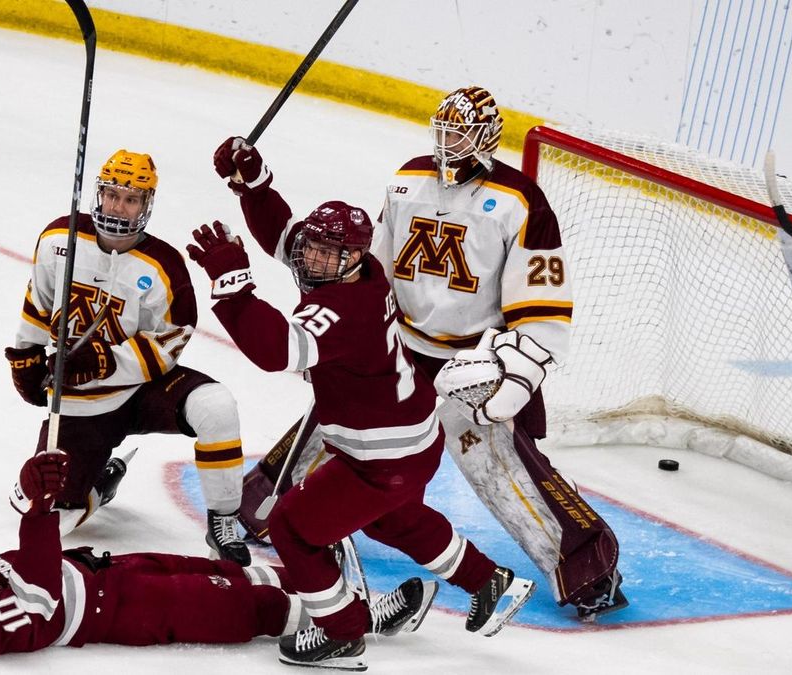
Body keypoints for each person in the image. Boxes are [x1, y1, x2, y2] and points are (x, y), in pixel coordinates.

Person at [225, 87, 627, 622]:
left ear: (485, 137)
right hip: (403, 344)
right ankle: (263, 505)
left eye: (459, 133)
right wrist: (257, 192)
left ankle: (587, 566)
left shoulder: (518, 200)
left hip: (472, 363)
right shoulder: (409, 179)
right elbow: (365, 260)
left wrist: (523, 365)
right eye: (442, 131)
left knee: (499, 464)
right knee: (340, 423)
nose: (447, 144)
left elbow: (542, 294)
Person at [188, 148, 535, 670]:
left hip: (378, 458)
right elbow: (288, 237)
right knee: (394, 522)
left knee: (292, 527)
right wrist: (254, 186)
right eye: (315, 248)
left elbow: (276, 351)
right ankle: (491, 583)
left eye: (328, 254)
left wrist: (232, 285)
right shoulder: (362, 270)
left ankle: (342, 634)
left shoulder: (345, 308)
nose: (312, 260)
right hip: (410, 439)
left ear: (350, 258)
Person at [0, 411, 432, 655]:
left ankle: (320, 595)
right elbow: (40, 588)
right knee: (241, 604)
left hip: (104, 569)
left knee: (234, 573)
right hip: (126, 612)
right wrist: (35, 508)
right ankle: (348, 622)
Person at [4, 149, 248, 564]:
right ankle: (102, 482)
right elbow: (38, 301)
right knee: (41, 512)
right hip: (82, 403)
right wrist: (24, 355)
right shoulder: (58, 240)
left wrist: (105, 362)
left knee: (216, 405)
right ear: (98, 194)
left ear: (146, 205)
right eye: (113, 195)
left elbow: (170, 341)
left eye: (131, 199)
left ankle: (224, 521)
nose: (119, 206)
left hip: (143, 389)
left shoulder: (163, 265)